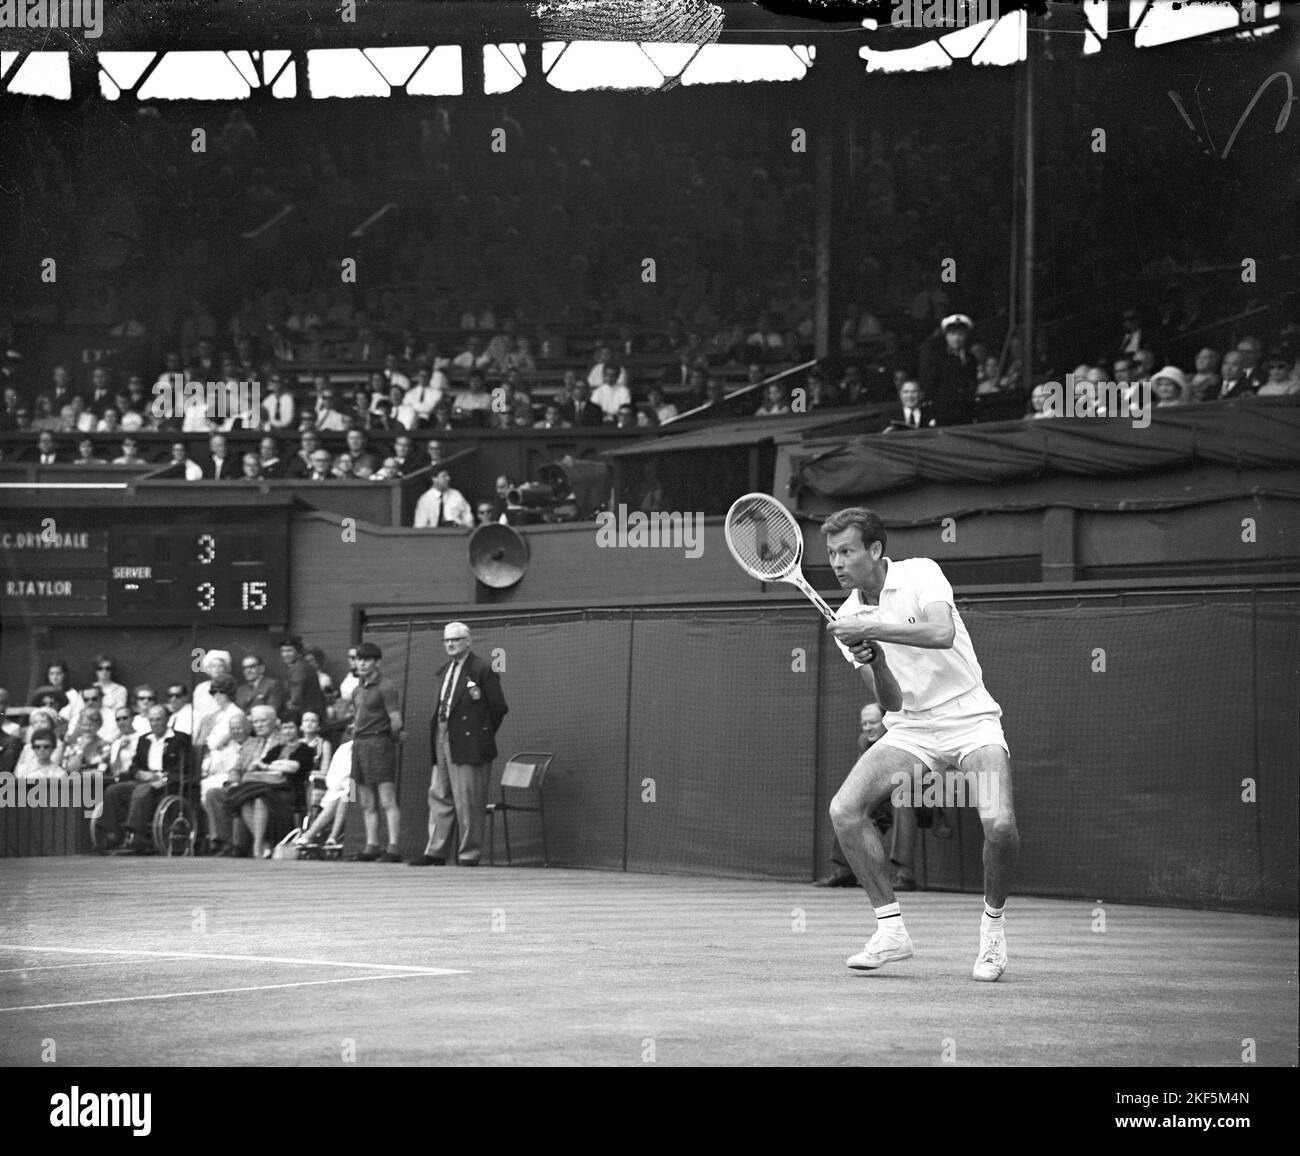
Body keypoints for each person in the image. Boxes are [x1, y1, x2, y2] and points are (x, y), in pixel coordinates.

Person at [823, 506, 1018, 981]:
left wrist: (871, 629)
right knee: (844, 810)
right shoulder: (847, 617)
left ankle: (992, 932)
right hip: (911, 728)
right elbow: (889, 702)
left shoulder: (921, 573)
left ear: (874, 549)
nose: (837, 562)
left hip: (970, 717)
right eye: (831, 553)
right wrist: (878, 659)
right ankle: (890, 931)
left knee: (1001, 825)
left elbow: (941, 632)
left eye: (846, 550)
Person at [410, 622, 508, 868]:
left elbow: (498, 707)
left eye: (456, 639)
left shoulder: (482, 668)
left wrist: (481, 734)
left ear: (468, 640)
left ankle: (469, 853)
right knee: (439, 794)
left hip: (469, 740)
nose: (451, 644)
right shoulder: (445, 670)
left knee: (468, 799)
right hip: (443, 735)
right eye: (446, 640)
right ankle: (436, 850)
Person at [97, 705, 191, 854]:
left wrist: (164, 777)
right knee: (113, 790)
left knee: (141, 792)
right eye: (152, 720)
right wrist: (140, 773)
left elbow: (183, 767)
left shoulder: (180, 738)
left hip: (166, 781)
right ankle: (112, 834)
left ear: (167, 719)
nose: (155, 723)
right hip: (145, 778)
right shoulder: (144, 739)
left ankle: (138, 837)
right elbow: (135, 766)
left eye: (158, 719)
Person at [223, 707, 312, 858]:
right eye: (285, 728)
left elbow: (293, 768)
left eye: (291, 727)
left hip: (290, 790)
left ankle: (258, 846)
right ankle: (261, 844)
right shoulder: (277, 749)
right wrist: (275, 766)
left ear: (298, 729)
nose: (288, 731)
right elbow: (254, 766)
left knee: (256, 796)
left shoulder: (305, 749)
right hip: (269, 789)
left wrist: (269, 766)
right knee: (249, 800)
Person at [347, 642, 405, 862]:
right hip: (359, 745)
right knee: (366, 801)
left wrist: (387, 740)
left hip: (379, 744)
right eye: (358, 659)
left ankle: (393, 848)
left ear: (377, 662)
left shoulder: (386, 686)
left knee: (387, 799)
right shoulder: (357, 690)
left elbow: (396, 721)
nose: (361, 663)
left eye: (367, 659)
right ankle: (372, 845)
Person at [194, 674, 247, 856]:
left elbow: (215, 741)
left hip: (229, 765)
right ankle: (215, 837)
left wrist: (209, 737)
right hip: (213, 765)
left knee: (211, 792)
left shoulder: (236, 713)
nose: (216, 696)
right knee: (203, 793)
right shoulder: (217, 715)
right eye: (214, 692)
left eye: (220, 692)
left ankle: (221, 838)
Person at [279, 635, 326, 720]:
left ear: (298, 652)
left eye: (289, 650)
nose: (285, 654)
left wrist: (285, 716)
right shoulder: (300, 666)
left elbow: (295, 699)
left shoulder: (299, 669)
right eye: (283, 651)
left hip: (305, 716)